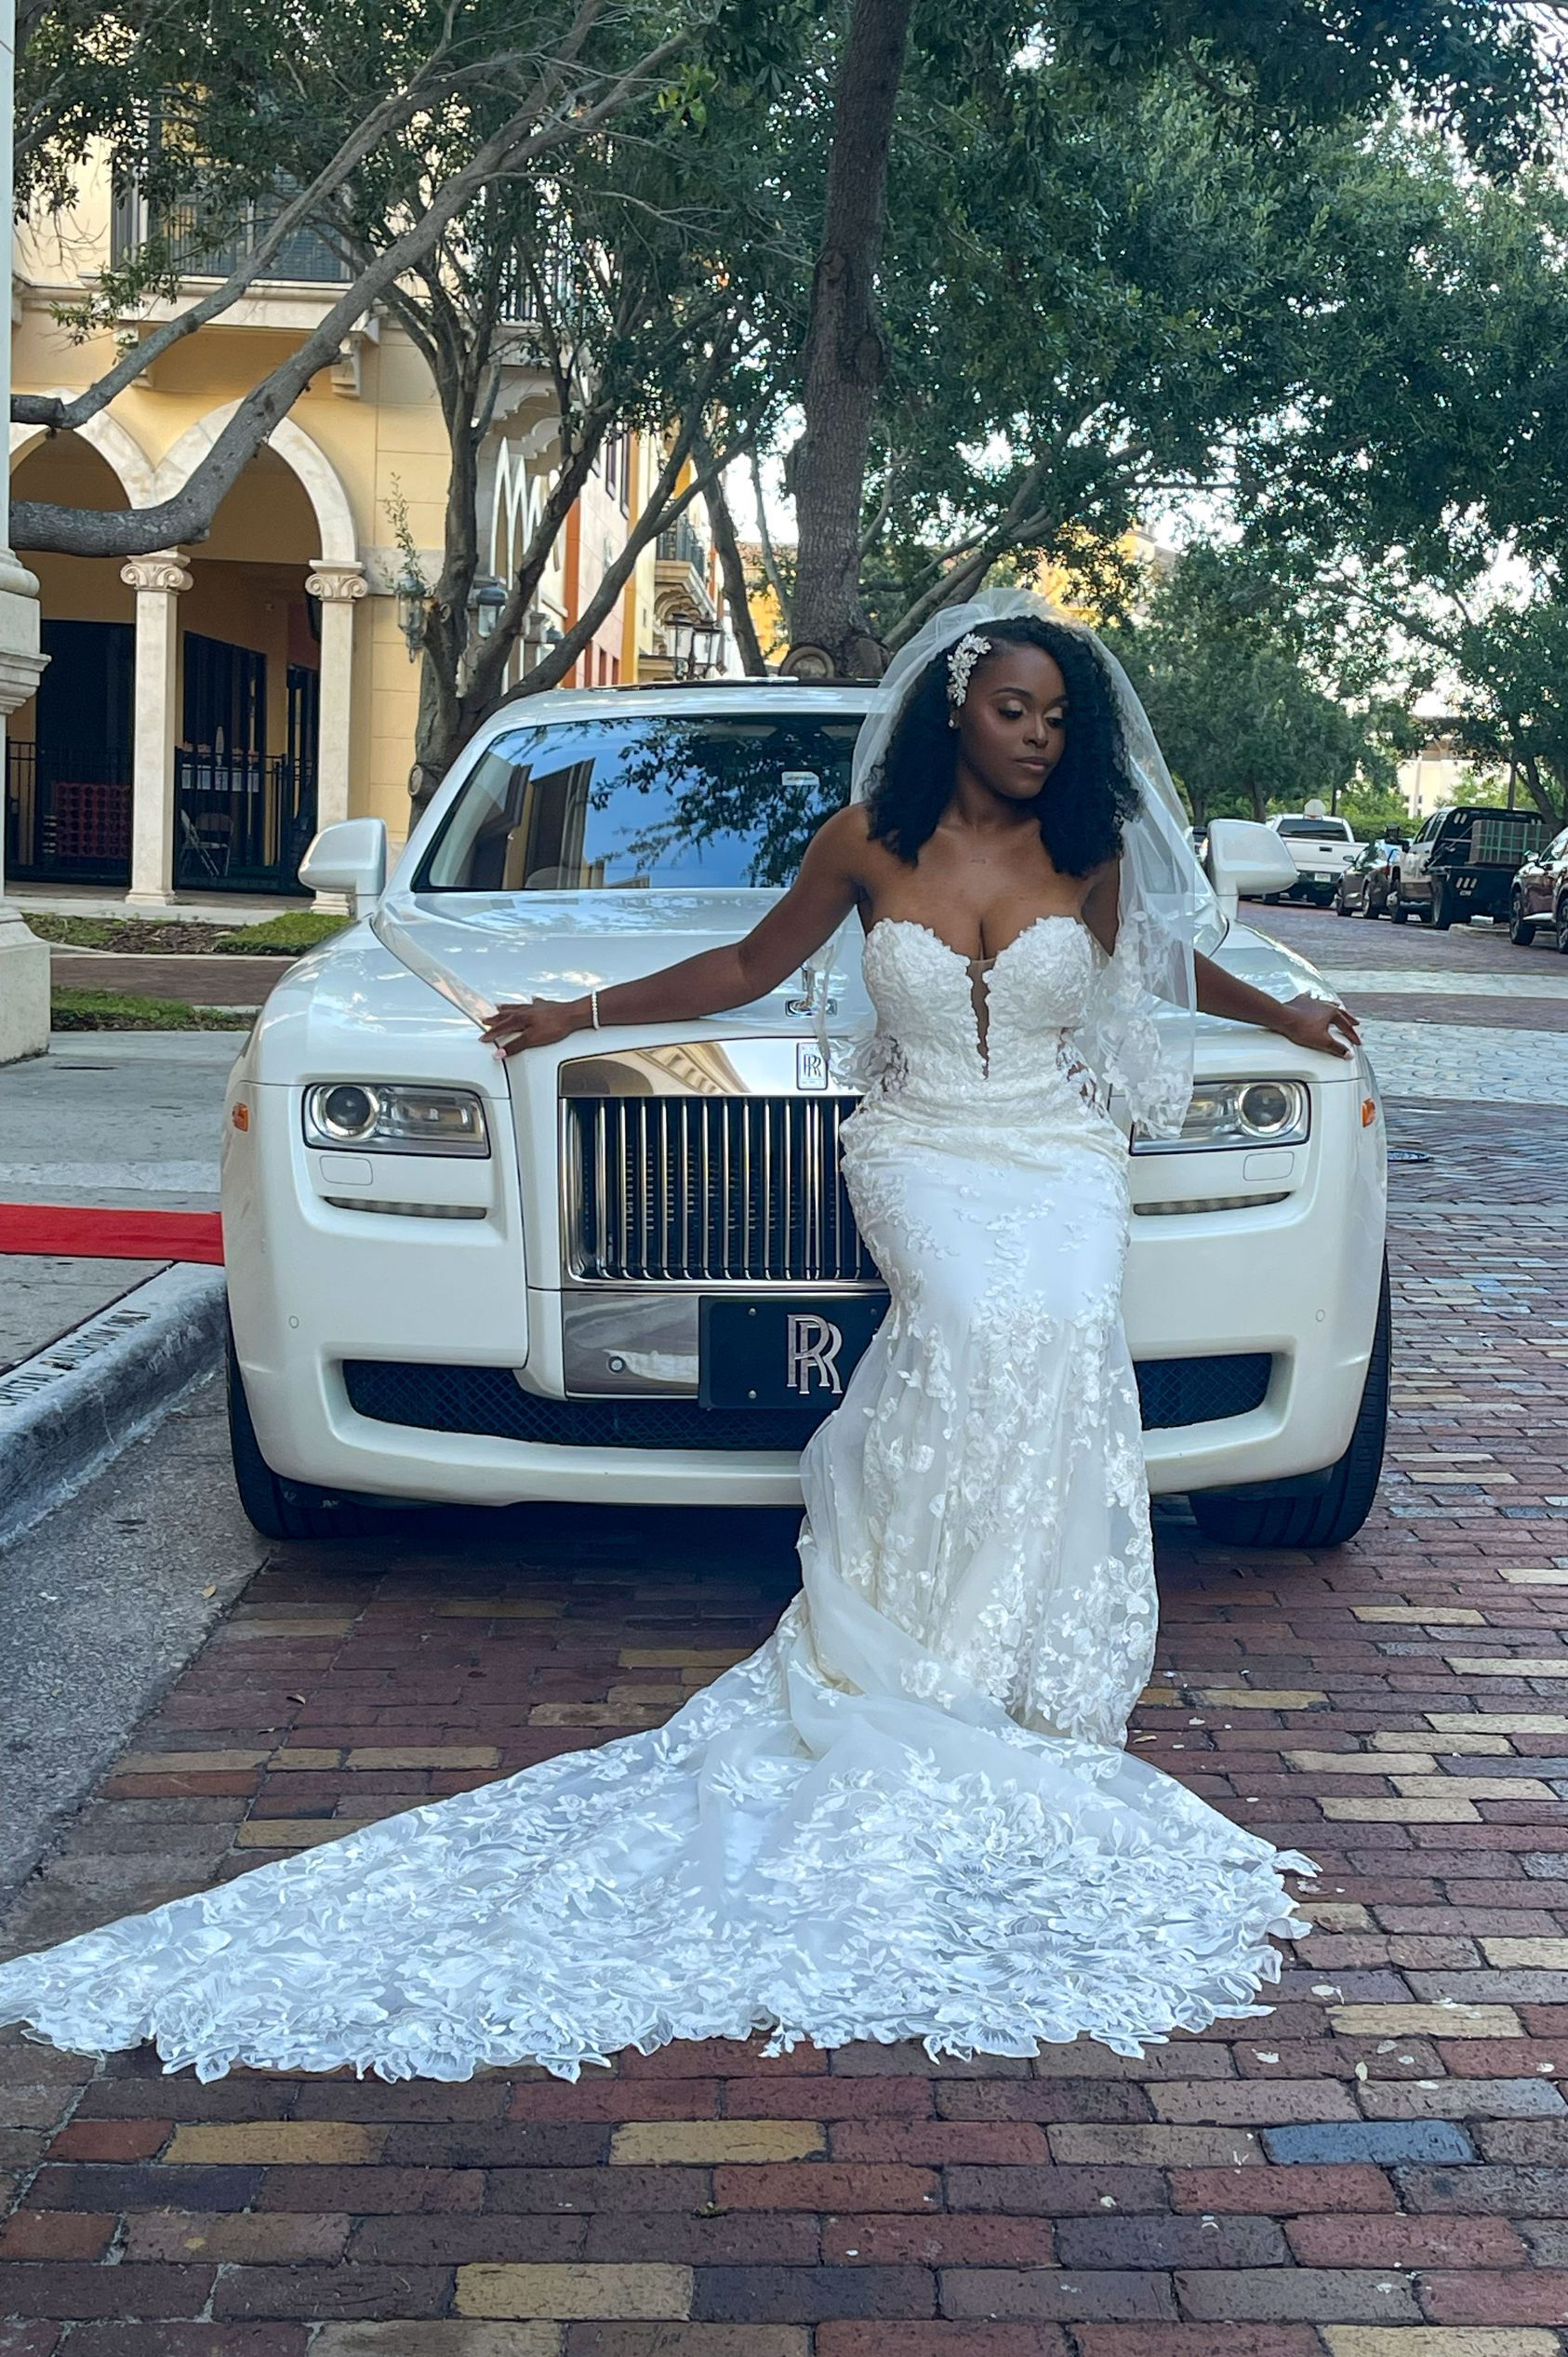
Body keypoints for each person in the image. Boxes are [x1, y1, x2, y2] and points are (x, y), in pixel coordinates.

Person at [0, 596, 1361, 2084]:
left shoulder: (1089, 858)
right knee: (975, 1325)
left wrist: (1288, 1020)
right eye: (1012, 709)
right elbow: (739, 975)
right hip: (924, 1147)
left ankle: (1015, 1659)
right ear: (957, 709)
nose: (1035, 736)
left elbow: (1155, 970)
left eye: (1056, 717)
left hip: (1057, 1150)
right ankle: (918, 1640)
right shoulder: (860, 847)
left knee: (1054, 1334)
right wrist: (571, 1008)